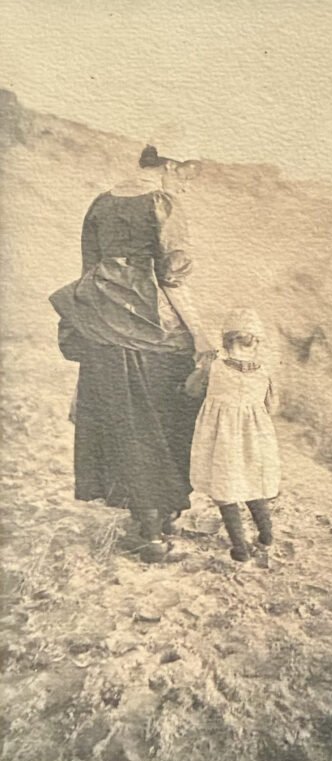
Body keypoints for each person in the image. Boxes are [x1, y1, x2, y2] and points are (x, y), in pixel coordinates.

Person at [49, 144, 213, 562]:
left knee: (125, 423)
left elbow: (88, 269)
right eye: (187, 174)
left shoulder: (101, 202)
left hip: (102, 327)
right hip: (152, 330)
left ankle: (151, 522)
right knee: (162, 420)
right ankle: (154, 531)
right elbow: (173, 279)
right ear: (171, 165)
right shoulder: (163, 203)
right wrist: (201, 334)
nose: (187, 184)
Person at [188, 308, 281, 562]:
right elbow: (272, 407)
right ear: (256, 342)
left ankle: (240, 548)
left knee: (225, 489)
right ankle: (266, 536)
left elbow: (192, 391)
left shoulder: (214, 367)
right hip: (254, 438)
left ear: (226, 340)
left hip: (221, 438)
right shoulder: (264, 371)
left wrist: (200, 370)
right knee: (252, 484)